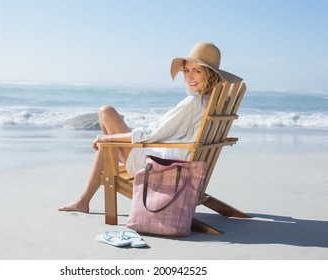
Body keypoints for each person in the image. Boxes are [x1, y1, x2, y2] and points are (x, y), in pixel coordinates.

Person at [58, 42, 241, 213]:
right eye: (186, 70)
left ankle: (84, 199)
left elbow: (153, 135)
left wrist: (107, 139)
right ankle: (100, 168)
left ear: (210, 74)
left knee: (106, 113)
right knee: (107, 122)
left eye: (197, 71)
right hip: (176, 163)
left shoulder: (194, 103)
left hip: (161, 168)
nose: (189, 77)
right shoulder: (215, 103)